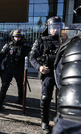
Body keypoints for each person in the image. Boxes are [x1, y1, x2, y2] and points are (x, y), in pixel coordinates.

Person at [29, 16, 65, 133]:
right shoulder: (41, 41)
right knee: (45, 98)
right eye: (54, 27)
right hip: (48, 73)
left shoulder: (65, 41)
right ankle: (45, 122)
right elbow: (32, 57)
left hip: (62, 74)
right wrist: (39, 67)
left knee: (62, 100)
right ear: (48, 28)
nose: (56, 29)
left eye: (58, 27)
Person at [53, 6, 81, 134]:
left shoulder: (75, 44)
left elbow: (70, 123)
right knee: (47, 97)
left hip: (72, 119)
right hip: (46, 74)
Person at [0, 29, 31, 111]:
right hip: (9, 68)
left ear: (22, 37)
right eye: (15, 37)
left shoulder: (26, 46)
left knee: (21, 85)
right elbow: (1, 56)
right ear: (13, 37)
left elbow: (34, 52)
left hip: (19, 69)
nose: (17, 38)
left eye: (19, 37)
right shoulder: (8, 45)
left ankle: (21, 99)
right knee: (4, 86)